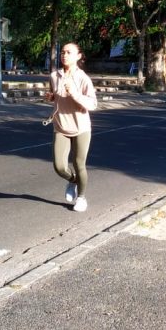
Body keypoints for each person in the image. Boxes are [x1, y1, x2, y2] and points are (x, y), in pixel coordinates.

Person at [46, 42, 98, 212]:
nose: (64, 55)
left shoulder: (83, 78)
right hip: (61, 126)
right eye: (63, 52)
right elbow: (56, 96)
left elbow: (92, 104)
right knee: (59, 166)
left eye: (69, 52)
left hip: (81, 128)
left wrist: (75, 93)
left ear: (78, 56)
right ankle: (73, 181)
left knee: (79, 164)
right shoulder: (54, 76)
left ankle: (81, 198)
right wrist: (51, 97)